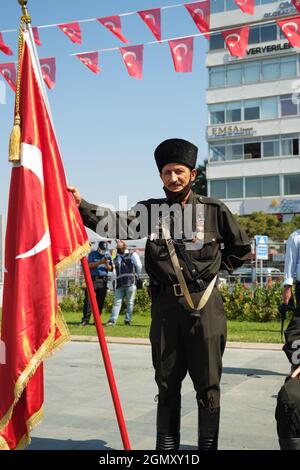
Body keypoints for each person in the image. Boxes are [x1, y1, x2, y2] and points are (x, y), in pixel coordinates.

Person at [69, 138, 251, 450]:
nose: (173, 178)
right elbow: (115, 224)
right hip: (166, 308)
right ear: (161, 176)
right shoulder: (150, 212)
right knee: (166, 383)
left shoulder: (213, 211)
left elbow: (242, 251)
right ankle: (166, 451)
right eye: (167, 172)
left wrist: (213, 275)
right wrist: (80, 204)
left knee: (208, 385)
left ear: (192, 175)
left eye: (179, 171)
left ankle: (207, 448)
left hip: (206, 306)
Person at [106, 240, 142, 326]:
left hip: (130, 282)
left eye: (119, 248)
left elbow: (139, 266)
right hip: (119, 283)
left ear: (124, 247)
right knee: (117, 303)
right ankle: (112, 320)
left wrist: (136, 275)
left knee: (130, 303)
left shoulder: (132, 255)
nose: (118, 249)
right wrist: (107, 263)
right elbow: (112, 268)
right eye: (118, 248)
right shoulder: (116, 257)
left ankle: (127, 320)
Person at [81, 241, 113, 326]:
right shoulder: (93, 254)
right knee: (88, 300)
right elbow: (88, 265)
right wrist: (100, 262)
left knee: (100, 301)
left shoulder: (108, 255)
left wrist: (106, 264)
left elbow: (111, 268)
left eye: (104, 249)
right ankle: (85, 320)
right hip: (92, 280)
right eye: (102, 249)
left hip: (103, 280)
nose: (103, 251)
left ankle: (97, 320)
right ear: (98, 248)